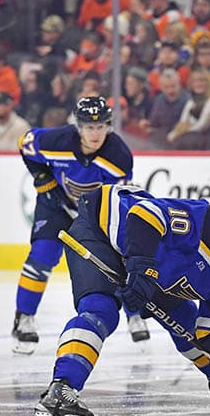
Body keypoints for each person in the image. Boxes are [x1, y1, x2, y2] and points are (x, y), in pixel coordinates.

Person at [24, 184, 210, 416]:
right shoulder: (208, 224)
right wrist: (141, 266)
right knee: (100, 310)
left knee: (187, 321)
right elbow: (144, 214)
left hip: (154, 267)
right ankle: (61, 390)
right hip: (101, 231)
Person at [12, 96, 150, 354]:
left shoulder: (118, 156)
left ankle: (134, 314)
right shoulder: (56, 141)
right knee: (41, 256)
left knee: (120, 259)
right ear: (78, 126)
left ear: (109, 126)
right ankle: (23, 318)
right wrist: (43, 179)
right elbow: (24, 144)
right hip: (56, 206)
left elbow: (115, 196)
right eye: (89, 126)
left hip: (96, 211)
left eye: (100, 127)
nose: (95, 133)